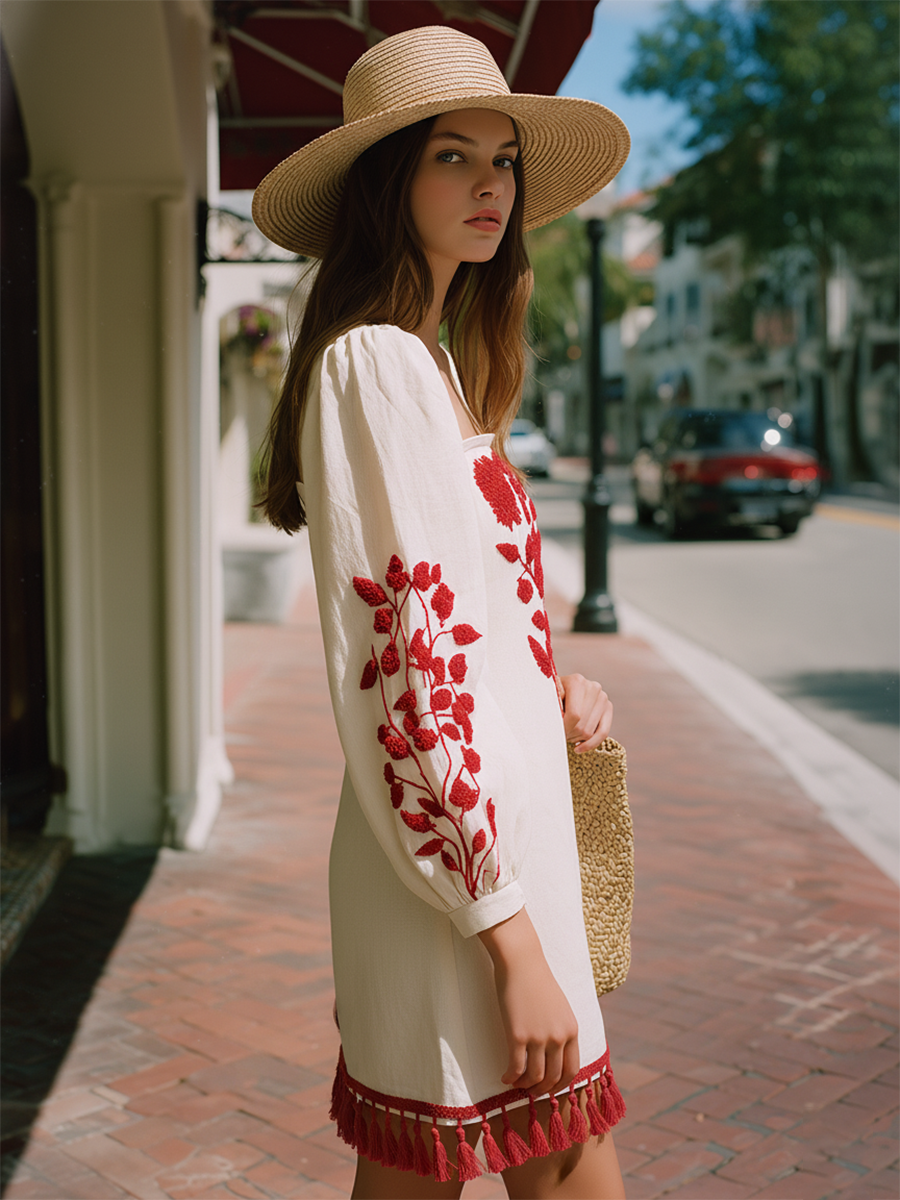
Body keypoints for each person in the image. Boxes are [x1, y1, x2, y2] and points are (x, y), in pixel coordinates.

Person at [253, 26, 630, 1200]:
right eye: (451, 157)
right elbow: (404, 678)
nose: (489, 186)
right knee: (567, 1172)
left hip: (476, 866)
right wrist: (507, 937)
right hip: (472, 886)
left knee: (422, 1180)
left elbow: (460, 631)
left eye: (504, 161)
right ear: (388, 182)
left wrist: (546, 687)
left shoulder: (428, 363)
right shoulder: (379, 366)